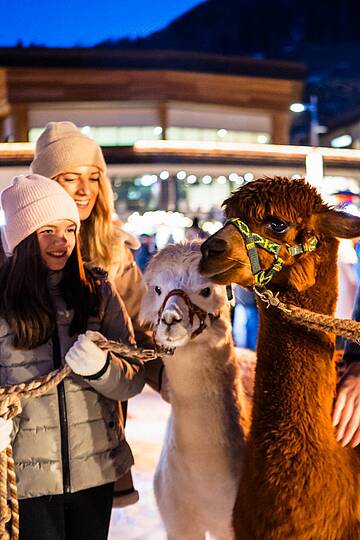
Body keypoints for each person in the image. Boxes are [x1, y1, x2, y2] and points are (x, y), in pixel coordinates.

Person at [0, 174, 147, 540]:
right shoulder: (1, 302)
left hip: (94, 473)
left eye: (69, 229)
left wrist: (101, 370)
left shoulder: (97, 293)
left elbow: (133, 378)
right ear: (21, 239)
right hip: (27, 481)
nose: (61, 241)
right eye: (46, 230)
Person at [30, 121, 162, 506]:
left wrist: (183, 383)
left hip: (96, 433)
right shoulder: (17, 254)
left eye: (94, 177)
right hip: (31, 436)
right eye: (70, 178)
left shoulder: (115, 253)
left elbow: (144, 332)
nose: (85, 190)